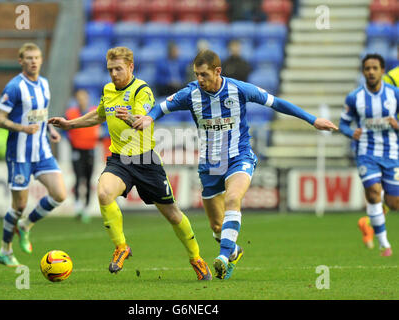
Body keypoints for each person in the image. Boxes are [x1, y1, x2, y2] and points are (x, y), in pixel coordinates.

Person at [117, 49, 338, 279]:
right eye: (196, 75)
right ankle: (233, 252)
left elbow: (276, 103)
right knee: (216, 226)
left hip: (239, 157)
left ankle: (222, 257)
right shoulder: (190, 94)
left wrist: (313, 120)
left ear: (217, 71)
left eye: (204, 75)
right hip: (210, 165)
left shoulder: (239, 89)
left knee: (233, 199)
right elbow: (163, 107)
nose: (199, 80)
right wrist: (149, 118)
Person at [48, 47, 212, 280]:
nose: (113, 74)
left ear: (131, 67)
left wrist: (131, 118)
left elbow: (145, 120)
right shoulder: (108, 89)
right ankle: (121, 247)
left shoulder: (141, 91)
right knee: (104, 192)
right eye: (110, 70)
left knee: (174, 215)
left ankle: (196, 258)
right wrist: (70, 124)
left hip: (145, 161)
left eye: (118, 69)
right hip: (120, 160)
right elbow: (99, 115)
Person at [0, 42, 67, 267]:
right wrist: (22, 128)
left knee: (60, 194)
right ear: (21, 61)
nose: (33, 61)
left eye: (36, 57)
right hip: (20, 154)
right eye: (29, 58)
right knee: (19, 205)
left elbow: (40, 115)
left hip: (42, 151)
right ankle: (5, 250)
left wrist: (51, 130)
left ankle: (26, 225)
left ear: (41, 60)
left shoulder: (44, 83)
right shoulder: (14, 87)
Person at [340, 54, 399, 257]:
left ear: (382, 70)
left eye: (375, 68)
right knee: (373, 193)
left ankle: (371, 222)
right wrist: (351, 133)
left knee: (393, 203)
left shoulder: (395, 94)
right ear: (363, 72)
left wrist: (397, 125)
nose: (371, 72)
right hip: (366, 152)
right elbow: (343, 124)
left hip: (392, 152)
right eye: (367, 68)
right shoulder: (354, 97)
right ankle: (384, 244)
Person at [65, 89, 99, 223]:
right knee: (79, 178)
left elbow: (103, 128)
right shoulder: (71, 113)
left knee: (89, 179)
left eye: (84, 98)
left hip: (90, 150)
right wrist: (70, 140)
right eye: (79, 98)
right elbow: (64, 130)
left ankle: (86, 208)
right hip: (77, 150)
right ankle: (78, 205)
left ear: (88, 99)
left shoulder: (94, 111)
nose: (82, 100)